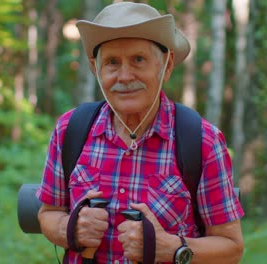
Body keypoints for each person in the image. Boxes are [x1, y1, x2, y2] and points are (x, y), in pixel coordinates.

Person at [37, 2, 244, 264]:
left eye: (138, 60)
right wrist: (69, 229)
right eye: (112, 62)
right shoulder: (71, 130)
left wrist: (173, 248)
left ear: (166, 67)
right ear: (96, 69)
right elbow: (48, 213)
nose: (124, 75)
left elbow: (232, 247)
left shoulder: (202, 141)